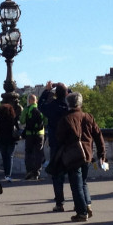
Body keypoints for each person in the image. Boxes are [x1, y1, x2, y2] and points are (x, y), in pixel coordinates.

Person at [56, 92, 105, 222]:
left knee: (76, 185)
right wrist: (101, 154)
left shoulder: (66, 119)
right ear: (80, 103)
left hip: (73, 156)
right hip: (87, 154)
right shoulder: (88, 117)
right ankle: (87, 205)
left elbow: (59, 138)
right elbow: (99, 136)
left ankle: (82, 212)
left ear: (68, 104)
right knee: (83, 182)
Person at [38, 81, 69, 211]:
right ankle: (79, 202)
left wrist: (47, 90)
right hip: (69, 144)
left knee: (57, 175)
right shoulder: (69, 106)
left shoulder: (51, 107)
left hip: (56, 144)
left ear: (55, 94)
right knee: (74, 174)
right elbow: (73, 97)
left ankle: (59, 203)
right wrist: (64, 87)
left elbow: (40, 105)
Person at [20, 94, 45, 180]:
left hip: (29, 133)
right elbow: (45, 121)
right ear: (36, 101)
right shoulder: (41, 108)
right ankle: (37, 172)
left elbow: (22, 121)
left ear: (29, 101)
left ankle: (29, 171)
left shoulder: (26, 109)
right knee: (39, 153)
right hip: (40, 133)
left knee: (29, 153)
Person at [0, 103, 18, 182]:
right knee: (10, 157)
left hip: (2, 140)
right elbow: (17, 129)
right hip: (11, 140)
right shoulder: (12, 119)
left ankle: (6, 174)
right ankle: (8, 175)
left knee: (4, 157)